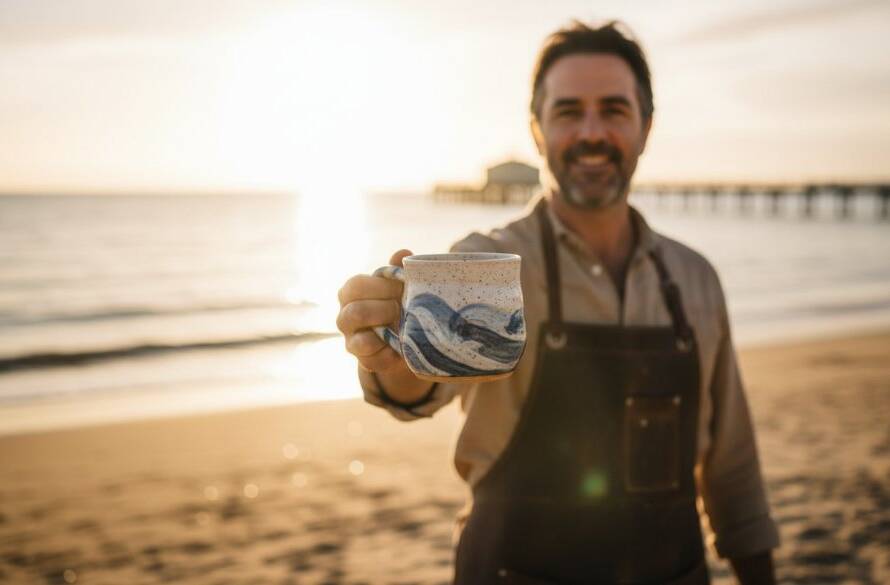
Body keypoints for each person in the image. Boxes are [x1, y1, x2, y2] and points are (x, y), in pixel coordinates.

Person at [337, 20, 779, 585]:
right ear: (538, 130)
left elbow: (732, 467)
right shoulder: (484, 266)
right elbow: (418, 390)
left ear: (646, 126)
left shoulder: (695, 280)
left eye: (614, 110)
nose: (591, 132)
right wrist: (390, 355)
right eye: (569, 111)